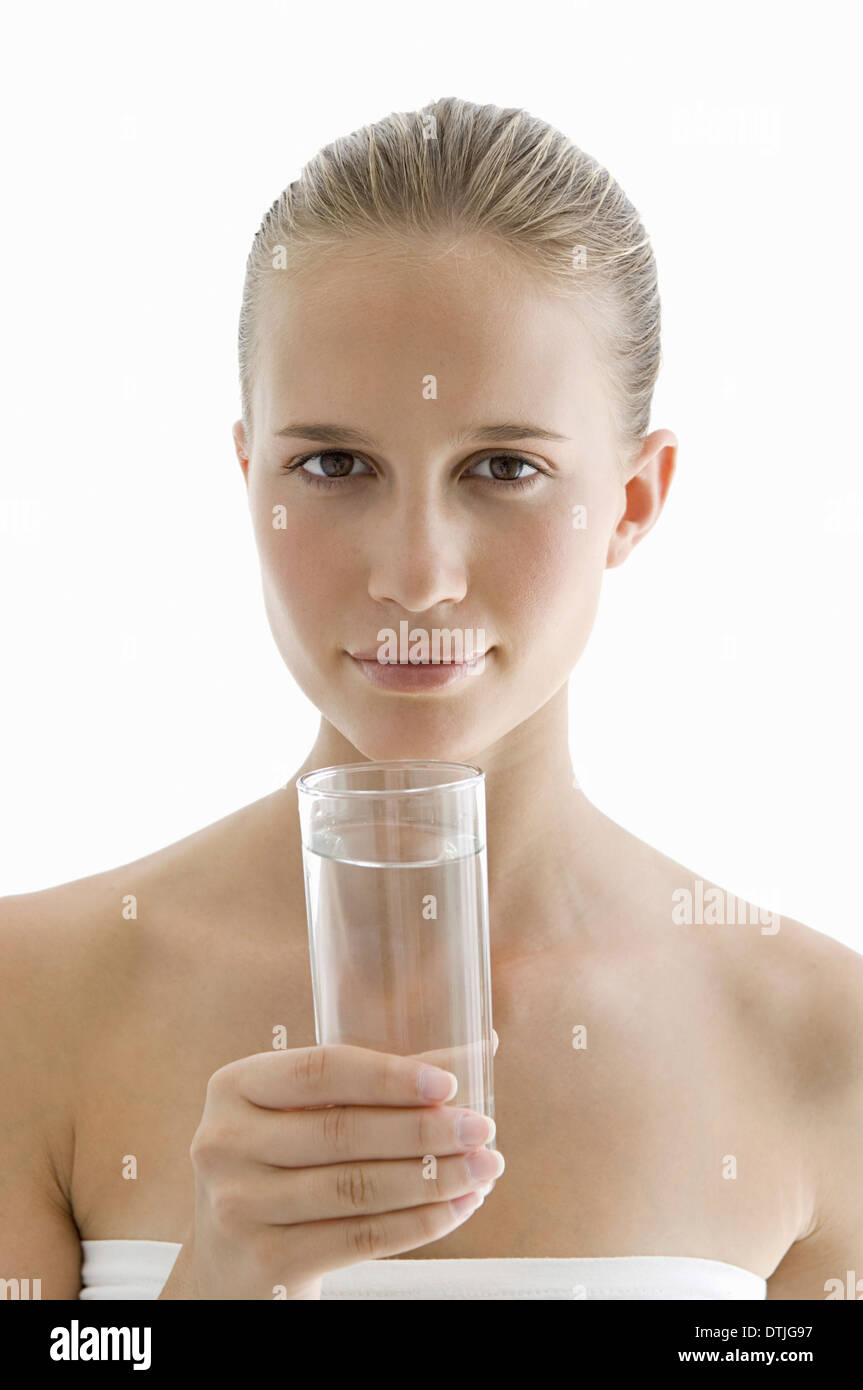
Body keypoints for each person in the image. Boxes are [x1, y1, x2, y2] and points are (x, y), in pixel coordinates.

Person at [2, 96, 860, 1302]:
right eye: (334, 465)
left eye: (502, 467)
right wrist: (216, 1288)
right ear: (251, 480)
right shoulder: (25, 1000)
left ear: (630, 499)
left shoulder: (825, 1046)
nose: (415, 573)